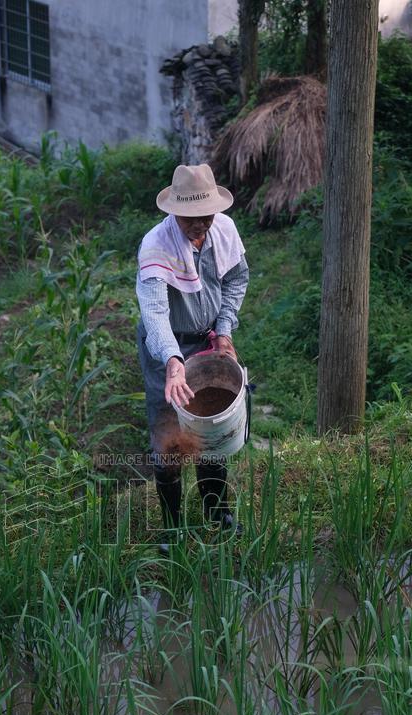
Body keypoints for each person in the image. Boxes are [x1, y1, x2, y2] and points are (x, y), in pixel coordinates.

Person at [136, 163, 250, 550]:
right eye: (191, 219)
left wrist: (224, 330)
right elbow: (154, 313)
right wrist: (172, 362)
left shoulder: (223, 230)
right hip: (165, 348)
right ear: (174, 213)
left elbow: (236, 279)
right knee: (169, 434)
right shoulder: (156, 246)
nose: (200, 224)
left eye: (206, 216)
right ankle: (172, 528)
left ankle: (217, 513)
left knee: (211, 426)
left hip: (208, 340)